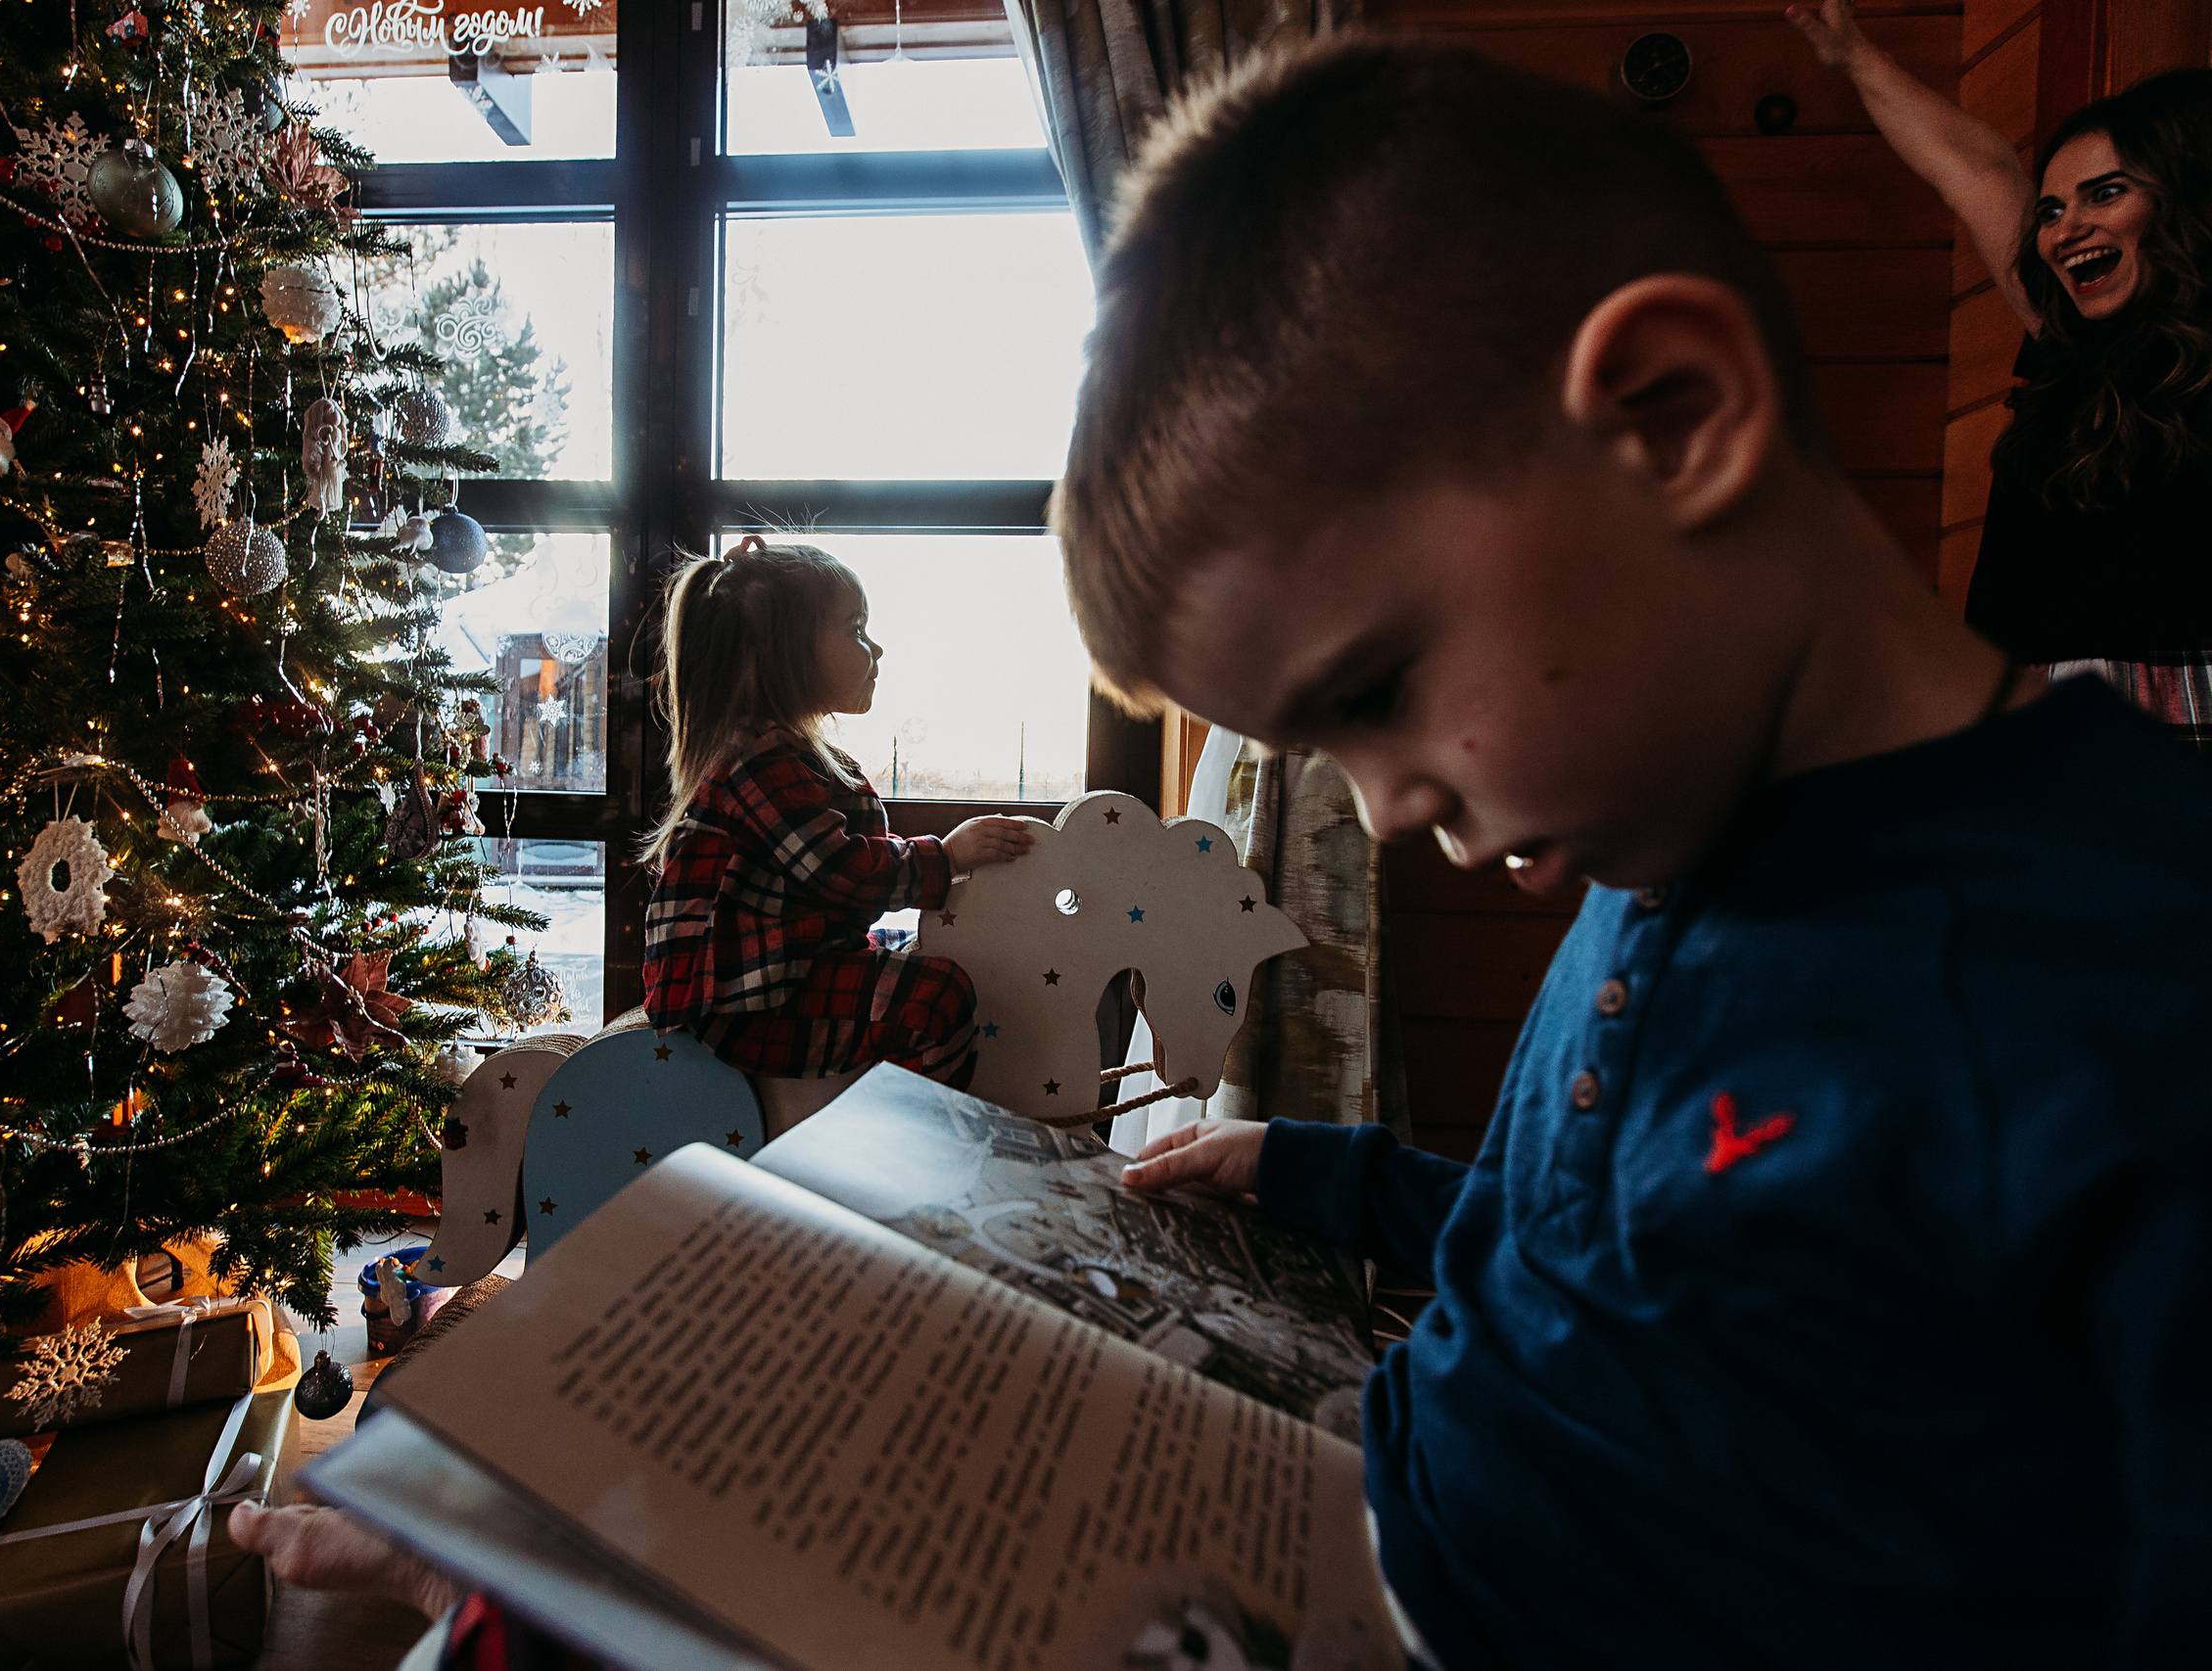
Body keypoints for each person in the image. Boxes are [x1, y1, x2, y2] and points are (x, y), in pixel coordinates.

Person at [1060, 32, 2211, 1671]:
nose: (1386, 808)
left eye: (1376, 693)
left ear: (1674, 418)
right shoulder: (1653, 843)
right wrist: (1322, 1173)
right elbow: (1605, 1260)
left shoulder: (2129, 980)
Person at [1791, 0, 2212, 746]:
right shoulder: (2067, 345)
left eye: (2105, 193)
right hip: (2033, 732)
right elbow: (1977, 170)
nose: (2065, 228)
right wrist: (1855, 57)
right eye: (2050, 210)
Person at [639, 534, 1036, 1086]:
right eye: (855, 630)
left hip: (779, 977)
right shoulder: (757, 761)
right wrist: (945, 857)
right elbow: (838, 869)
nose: (876, 649)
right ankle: (917, 1132)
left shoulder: (790, 755)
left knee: (915, 954)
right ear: (786, 653)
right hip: (740, 1003)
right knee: (938, 997)